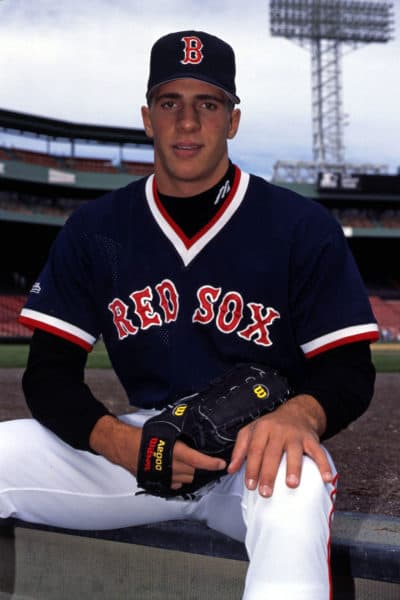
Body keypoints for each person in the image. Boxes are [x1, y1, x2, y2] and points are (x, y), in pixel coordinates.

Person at [0, 30, 379, 599]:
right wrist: (117, 442)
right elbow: (47, 374)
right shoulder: (95, 229)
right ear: (147, 117)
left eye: (208, 103)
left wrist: (300, 415)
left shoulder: (301, 227)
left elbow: (350, 370)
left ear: (233, 120)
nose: (187, 121)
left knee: (296, 486)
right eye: (169, 102)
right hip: (143, 447)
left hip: (255, 457)